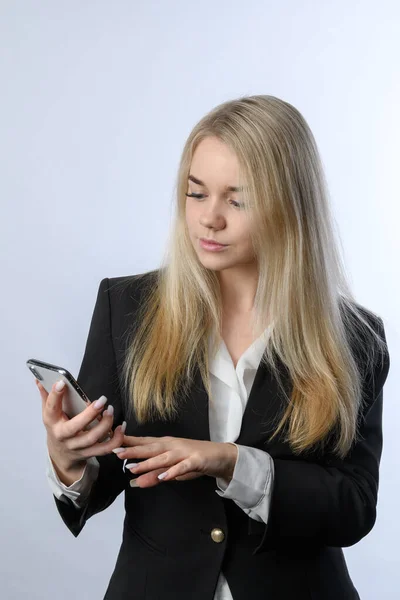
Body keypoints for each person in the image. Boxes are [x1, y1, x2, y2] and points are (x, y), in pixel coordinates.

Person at [37, 95, 390, 600]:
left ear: (291, 204)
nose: (209, 219)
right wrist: (66, 457)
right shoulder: (128, 307)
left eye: (237, 200)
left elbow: (354, 507)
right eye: (196, 193)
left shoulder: (355, 337)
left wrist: (232, 462)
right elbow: (104, 478)